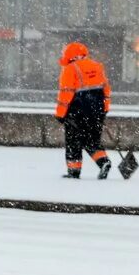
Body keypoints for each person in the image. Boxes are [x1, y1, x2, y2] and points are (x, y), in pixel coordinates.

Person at [54, 41, 112, 179]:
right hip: (96, 111)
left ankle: (74, 172)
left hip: (77, 113)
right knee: (91, 140)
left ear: (69, 55)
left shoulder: (70, 69)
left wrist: (60, 114)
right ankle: (103, 161)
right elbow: (106, 90)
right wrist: (104, 109)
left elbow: (65, 94)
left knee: (73, 141)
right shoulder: (97, 66)